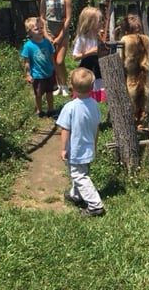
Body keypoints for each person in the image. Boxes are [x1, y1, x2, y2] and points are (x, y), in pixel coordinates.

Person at [57, 67, 105, 217]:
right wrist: (95, 144)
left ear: (72, 85)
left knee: (79, 175)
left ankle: (95, 205)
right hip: (89, 145)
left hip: (76, 149)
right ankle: (76, 195)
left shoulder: (69, 107)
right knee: (80, 172)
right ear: (92, 87)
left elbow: (65, 129)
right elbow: (97, 127)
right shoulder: (94, 105)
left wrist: (63, 148)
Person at [40, 0, 72, 96]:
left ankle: (64, 84)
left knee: (60, 60)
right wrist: (46, 35)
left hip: (62, 30)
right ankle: (59, 85)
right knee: (53, 61)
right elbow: (42, 17)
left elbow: (68, 18)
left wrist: (60, 36)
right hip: (49, 30)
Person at [20, 17, 55, 118]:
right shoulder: (28, 46)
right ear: (29, 32)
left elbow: (51, 55)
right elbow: (26, 62)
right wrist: (28, 74)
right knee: (38, 94)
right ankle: (39, 110)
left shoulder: (47, 42)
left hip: (48, 72)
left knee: (49, 92)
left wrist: (54, 68)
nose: (40, 30)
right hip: (37, 74)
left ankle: (51, 109)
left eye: (41, 28)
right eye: (36, 29)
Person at [72, 6, 106, 102]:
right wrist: (90, 52)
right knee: (89, 81)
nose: (101, 23)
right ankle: (88, 98)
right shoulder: (82, 38)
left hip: (98, 65)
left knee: (99, 81)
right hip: (87, 65)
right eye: (99, 21)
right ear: (90, 22)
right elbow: (75, 56)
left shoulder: (98, 36)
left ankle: (99, 99)